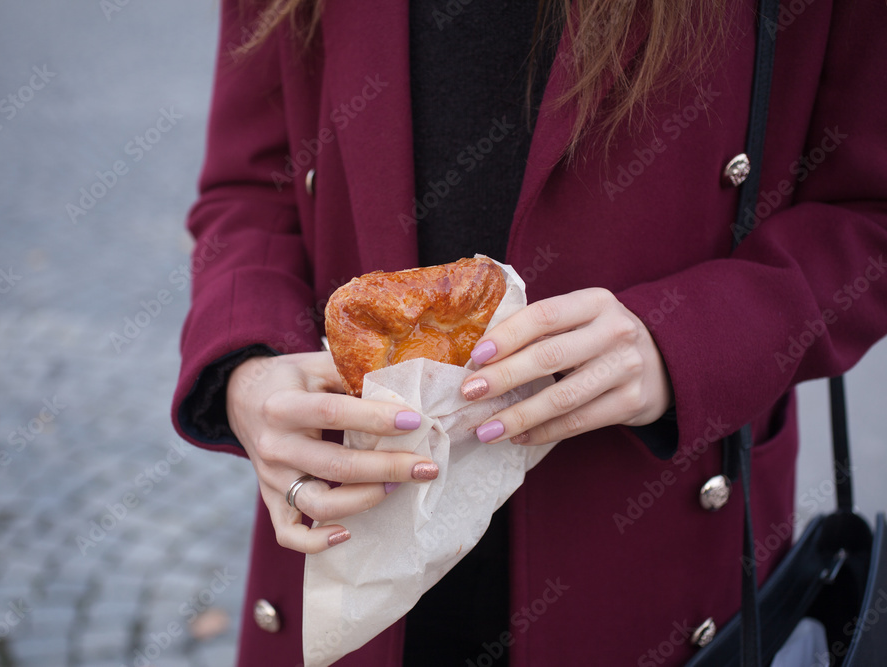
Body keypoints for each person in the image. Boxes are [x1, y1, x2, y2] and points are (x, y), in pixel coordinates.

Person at [171, 0, 887, 664]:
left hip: (645, 553)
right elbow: (252, 185)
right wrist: (248, 365)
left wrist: (686, 341)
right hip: (354, 557)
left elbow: (868, 209)